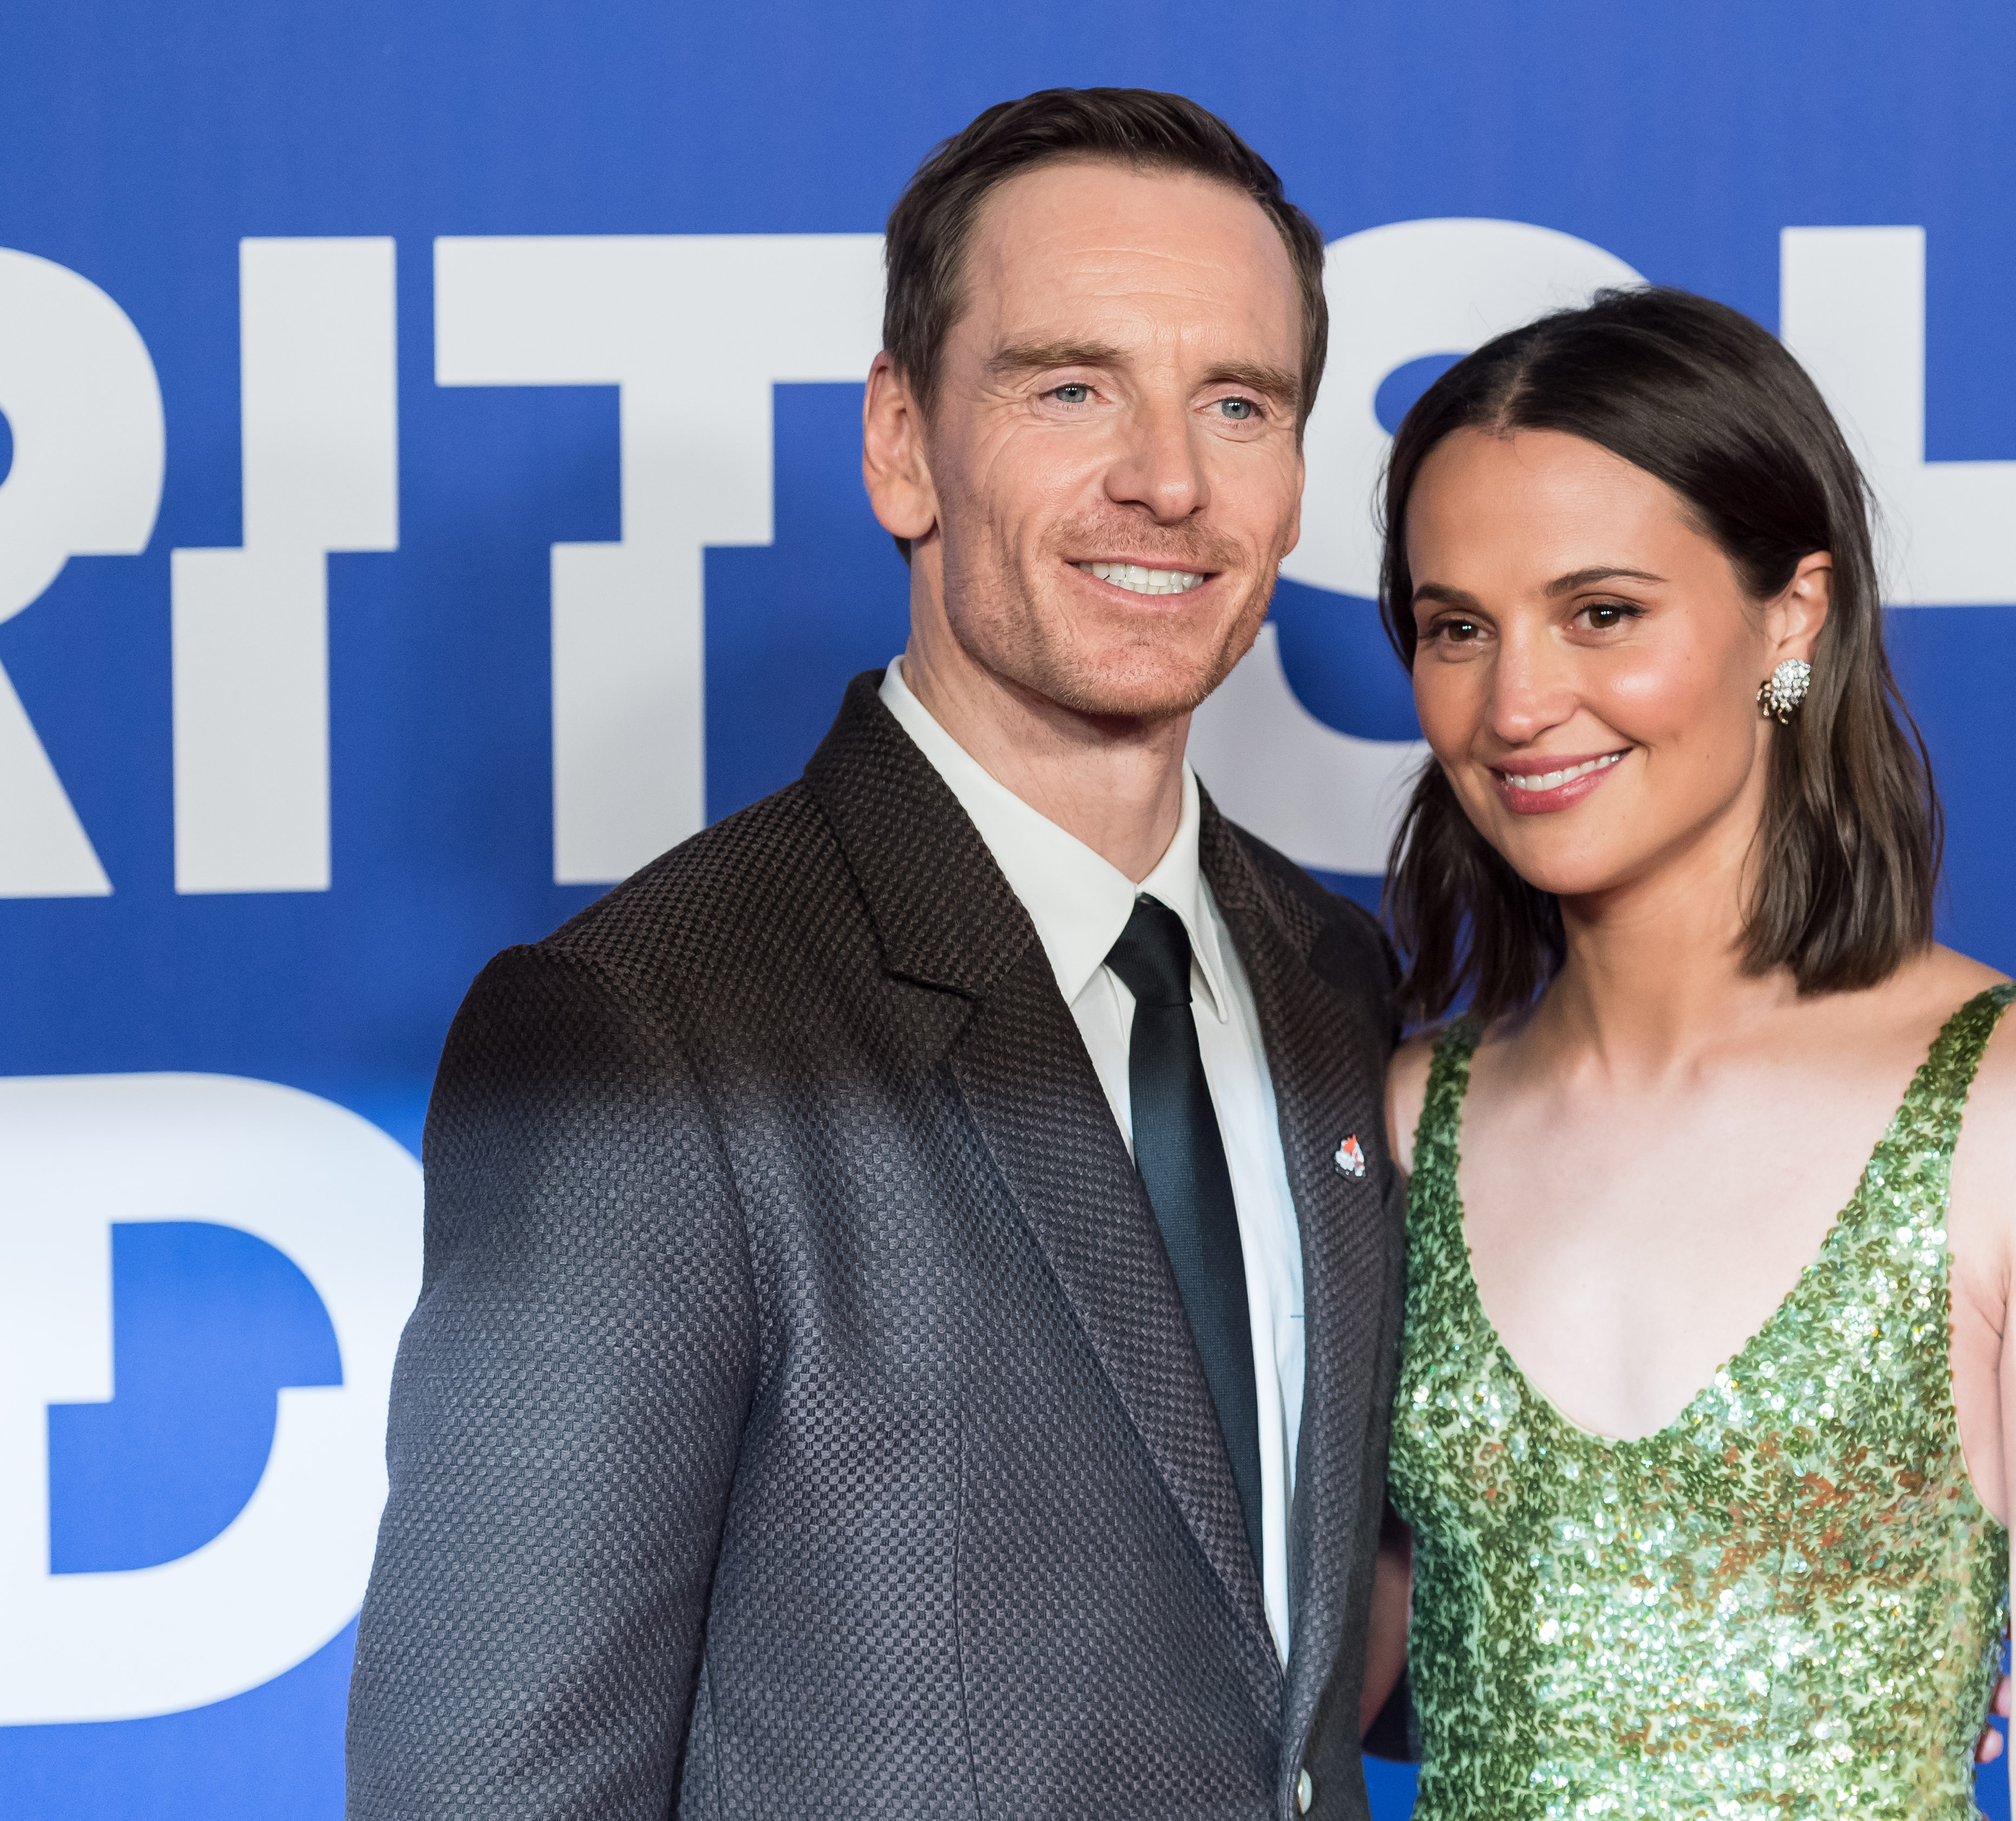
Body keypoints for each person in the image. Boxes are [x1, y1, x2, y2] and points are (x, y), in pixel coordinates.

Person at [346, 90, 1406, 1820]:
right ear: (901, 447)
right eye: (1070, 386)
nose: (1166, 477)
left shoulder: (1332, 979)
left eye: (1238, 403)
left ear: (1292, 487)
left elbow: (1279, 1638)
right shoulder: (650, 1027)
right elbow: (490, 1781)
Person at [1363, 289, 2016, 1819]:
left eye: (1601, 613)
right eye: (1454, 629)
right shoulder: (1406, 1116)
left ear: (1788, 620)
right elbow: (1291, 1669)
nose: (1517, 703)